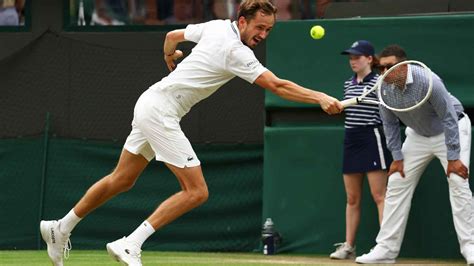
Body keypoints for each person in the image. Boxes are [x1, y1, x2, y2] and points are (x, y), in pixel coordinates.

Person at [39, 1, 343, 265]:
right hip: (160, 111)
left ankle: (60, 227)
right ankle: (130, 243)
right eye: (259, 27)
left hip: (150, 101)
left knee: (122, 179)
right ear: (242, 21)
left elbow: (172, 36)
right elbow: (277, 85)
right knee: (197, 191)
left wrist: (169, 57)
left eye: (268, 30)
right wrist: (320, 97)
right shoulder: (236, 51)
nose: (262, 35)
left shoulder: (215, 26)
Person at [355, 45, 473, 264]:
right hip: (418, 135)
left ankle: (471, 247)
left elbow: (448, 117)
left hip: (452, 129)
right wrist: (397, 158)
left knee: (458, 180)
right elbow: (389, 124)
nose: (386, 72)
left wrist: (454, 157)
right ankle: (385, 250)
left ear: (405, 66)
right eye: (382, 68)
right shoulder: (383, 88)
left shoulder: (430, 81)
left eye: (391, 66)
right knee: (397, 181)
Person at [330, 40, 391, 260]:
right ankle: (349, 246)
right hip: (351, 138)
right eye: (351, 57)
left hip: (372, 137)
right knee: (352, 198)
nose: (353, 61)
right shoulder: (348, 84)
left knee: (379, 195)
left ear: (369, 59)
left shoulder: (380, 82)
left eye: (357, 57)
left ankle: (386, 246)